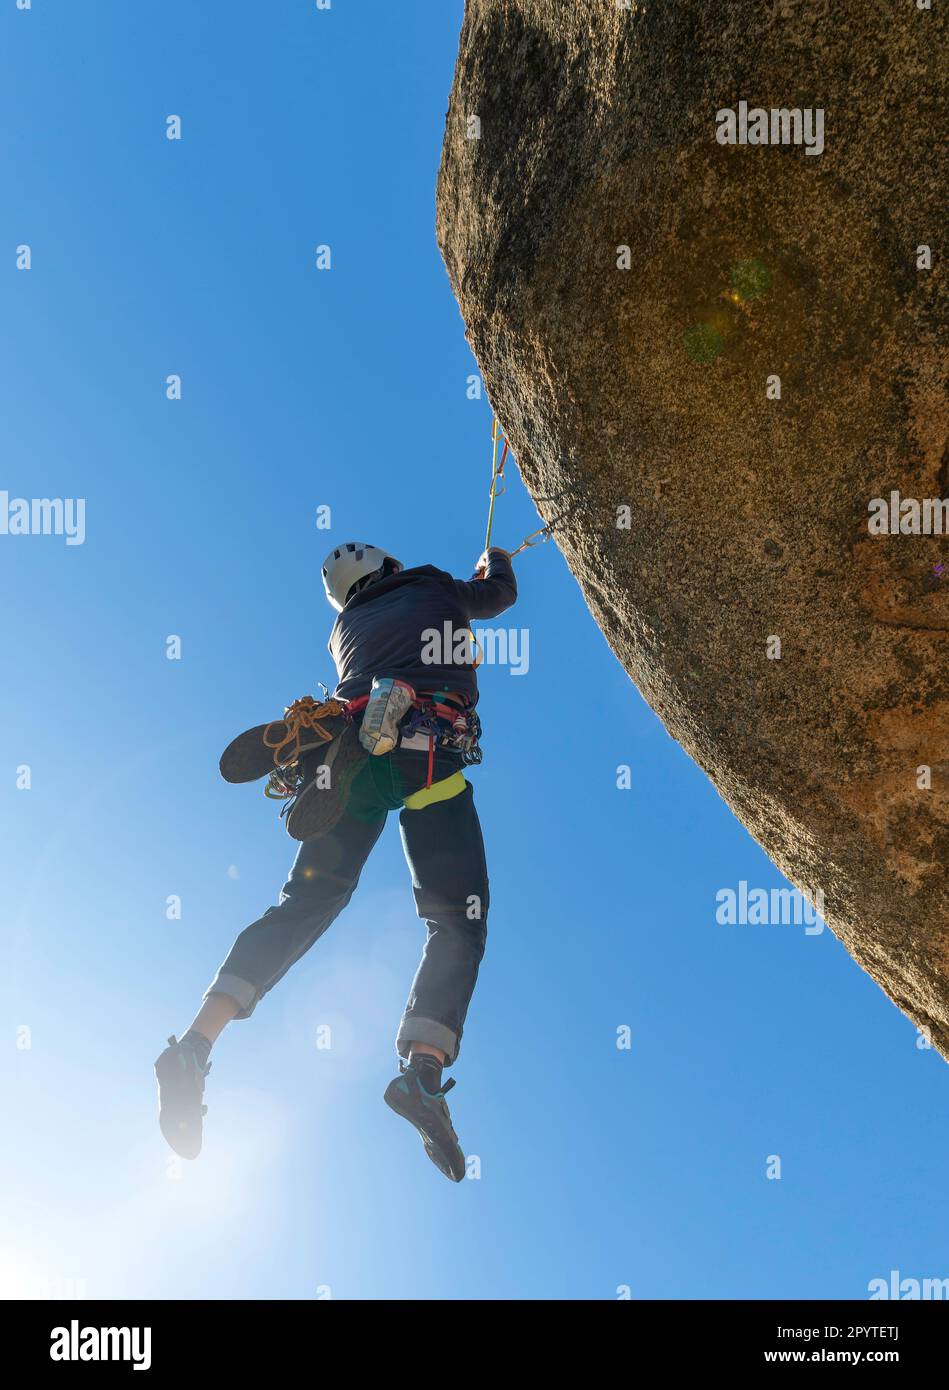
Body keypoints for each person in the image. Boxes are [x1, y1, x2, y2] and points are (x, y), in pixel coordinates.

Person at [155, 541, 517, 1182]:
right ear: (387, 566)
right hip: (429, 756)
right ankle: (422, 1074)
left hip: (350, 777)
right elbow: (498, 597)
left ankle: (193, 1047)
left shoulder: (342, 629)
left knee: (306, 903)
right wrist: (496, 563)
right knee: (458, 921)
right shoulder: (433, 582)